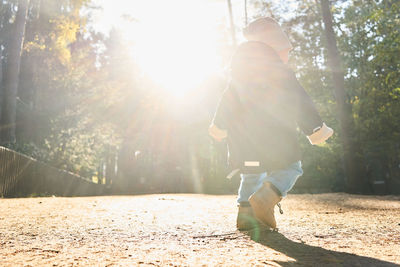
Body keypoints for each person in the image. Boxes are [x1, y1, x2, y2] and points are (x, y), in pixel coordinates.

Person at [209, 17, 333, 230]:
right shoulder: (283, 74)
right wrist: (316, 129)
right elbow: (302, 103)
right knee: (291, 168)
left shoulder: (238, 78)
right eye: (286, 50)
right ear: (276, 49)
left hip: (244, 144)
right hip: (277, 140)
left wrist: (219, 127)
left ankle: (246, 216)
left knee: (251, 173)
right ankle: (266, 199)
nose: (288, 55)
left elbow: (226, 104)